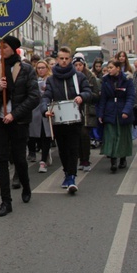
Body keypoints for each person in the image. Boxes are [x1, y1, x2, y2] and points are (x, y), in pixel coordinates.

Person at [0, 35, 40, 217]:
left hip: (18, 121)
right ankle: (5, 201)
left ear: (13, 49)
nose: (1, 50)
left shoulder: (26, 69)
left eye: (4, 47)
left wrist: (14, 114)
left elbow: (34, 96)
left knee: (19, 158)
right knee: (1, 159)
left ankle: (26, 185)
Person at [42, 47, 91, 194]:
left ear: (70, 59)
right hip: (58, 119)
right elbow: (46, 96)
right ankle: (66, 172)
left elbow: (89, 92)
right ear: (57, 60)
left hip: (75, 119)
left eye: (66, 58)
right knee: (63, 149)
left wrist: (82, 96)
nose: (64, 61)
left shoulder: (79, 77)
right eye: (61, 58)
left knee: (73, 148)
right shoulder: (51, 79)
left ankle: (72, 177)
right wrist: (45, 109)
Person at [96, 60, 135, 172]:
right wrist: (100, 114)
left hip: (123, 112)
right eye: (108, 67)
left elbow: (131, 97)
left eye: (111, 67)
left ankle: (122, 158)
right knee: (111, 136)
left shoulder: (127, 79)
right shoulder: (106, 80)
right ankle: (113, 161)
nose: (109, 69)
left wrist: (126, 111)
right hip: (110, 111)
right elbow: (103, 98)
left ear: (118, 68)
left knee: (122, 136)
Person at [73, 54, 101, 172]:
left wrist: (85, 96)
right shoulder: (71, 77)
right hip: (74, 109)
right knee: (77, 135)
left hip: (87, 110)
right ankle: (80, 158)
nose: (78, 67)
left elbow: (96, 94)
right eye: (76, 65)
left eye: (80, 65)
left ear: (84, 65)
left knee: (84, 135)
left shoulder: (90, 77)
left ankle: (86, 159)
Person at [29, 60, 53, 173]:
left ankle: (43, 161)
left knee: (46, 134)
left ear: (47, 68)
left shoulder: (51, 80)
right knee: (36, 135)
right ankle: (45, 152)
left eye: (43, 67)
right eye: (38, 68)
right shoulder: (34, 81)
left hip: (48, 109)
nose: (41, 70)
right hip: (36, 110)